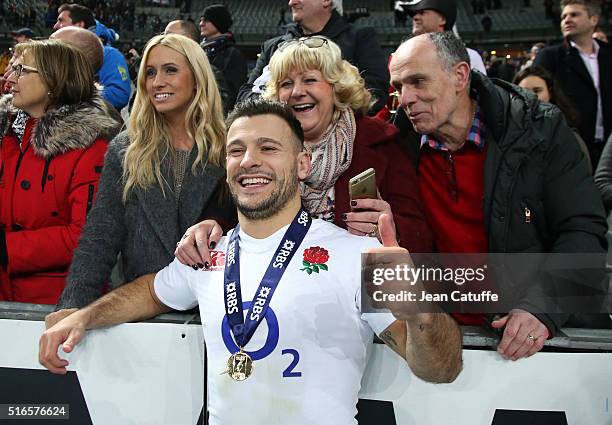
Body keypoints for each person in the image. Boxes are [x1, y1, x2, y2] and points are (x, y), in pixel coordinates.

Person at [39, 99, 463, 424]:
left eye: (268, 147)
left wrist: (419, 307)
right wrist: (83, 318)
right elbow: (151, 291)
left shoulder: (355, 254)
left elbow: (441, 370)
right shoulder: (208, 254)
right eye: (236, 150)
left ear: (302, 164)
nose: (249, 161)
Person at [389, 32, 608, 360]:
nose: (406, 98)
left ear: (460, 76)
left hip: (532, 345)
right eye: (398, 87)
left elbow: (583, 231)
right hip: (440, 342)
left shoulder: (541, 131)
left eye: (418, 82)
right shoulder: (396, 148)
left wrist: (541, 309)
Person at [175, 36, 433, 271]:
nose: (297, 92)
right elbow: (228, 212)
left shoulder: (382, 142)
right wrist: (209, 226)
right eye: (287, 83)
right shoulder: (256, 145)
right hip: (275, 293)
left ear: (336, 87)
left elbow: (422, 239)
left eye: (310, 79)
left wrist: (390, 227)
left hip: (358, 293)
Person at [45, 34, 235, 325]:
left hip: (215, 315)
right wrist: (74, 305)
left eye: (170, 70)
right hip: (140, 315)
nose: (157, 81)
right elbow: (101, 236)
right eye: (150, 72)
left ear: (197, 79)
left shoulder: (232, 148)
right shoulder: (125, 150)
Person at [0, 40, 122, 304]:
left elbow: (86, 236)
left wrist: (7, 249)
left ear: (53, 81)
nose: (9, 78)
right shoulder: (7, 135)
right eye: (12, 68)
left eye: (21, 70)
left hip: (59, 307)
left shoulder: (92, 145)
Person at [236, 0, 389, 115]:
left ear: (326, 1)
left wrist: (319, 115)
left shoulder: (359, 38)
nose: (291, 2)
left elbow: (374, 94)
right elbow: (245, 97)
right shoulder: (273, 47)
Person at [377, 0, 486, 122]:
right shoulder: (399, 58)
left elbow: (481, 101)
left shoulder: (469, 56)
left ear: (442, 19)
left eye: (423, 12)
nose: (415, 17)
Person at [534, 0, 612, 168]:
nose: (566, 20)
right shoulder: (549, 57)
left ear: (594, 20)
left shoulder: (609, 54)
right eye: (563, 16)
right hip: (568, 145)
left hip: (608, 145)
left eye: (574, 14)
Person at [513, 65, 592, 172]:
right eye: (524, 91)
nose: (531, 96)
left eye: (537, 90)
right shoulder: (507, 134)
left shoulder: (569, 136)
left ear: (550, 93)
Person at [54, 3, 131, 111]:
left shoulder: (109, 54)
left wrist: (75, 92)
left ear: (79, 25)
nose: (56, 26)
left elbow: (120, 95)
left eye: (61, 21)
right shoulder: (60, 55)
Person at [199, 4, 247, 109]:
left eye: (206, 20)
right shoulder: (198, 50)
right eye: (201, 20)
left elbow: (233, 92)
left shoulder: (233, 54)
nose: (201, 24)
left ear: (218, 23)